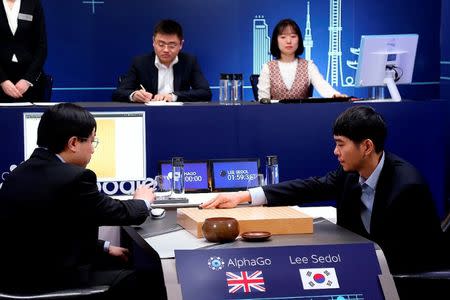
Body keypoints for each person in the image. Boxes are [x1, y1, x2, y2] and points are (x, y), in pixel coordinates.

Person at [201, 105, 448, 275]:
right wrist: (243, 196)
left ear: (367, 146)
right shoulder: (350, 174)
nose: (335, 152)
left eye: (341, 144)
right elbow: (309, 187)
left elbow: (411, 258)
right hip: (370, 269)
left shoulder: (407, 188)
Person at [0, 103, 166, 299]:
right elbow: (116, 212)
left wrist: (103, 247)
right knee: (149, 280)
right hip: (46, 284)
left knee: (118, 262)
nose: (93, 151)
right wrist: (143, 201)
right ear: (73, 143)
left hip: (13, 281)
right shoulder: (75, 178)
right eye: (92, 142)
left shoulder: (19, 172)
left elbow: (45, 232)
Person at [112, 19, 212, 103]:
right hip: (150, 115)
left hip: (180, 114)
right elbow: (118, 93)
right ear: (153, 42)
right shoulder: (140, 63)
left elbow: (205, 92)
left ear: (181, 44)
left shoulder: (189, 61)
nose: (166, 50)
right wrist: (133, 95)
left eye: (172, 45)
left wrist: (174, 96)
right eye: (161, 44)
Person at [257, 18, 346, 100]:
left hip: (304, 114)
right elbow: (263, 101)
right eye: (283, 37)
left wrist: (335, 95)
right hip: (274, 115)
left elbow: (322, 85)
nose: (288, 41)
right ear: (276, 41)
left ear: (299, 40)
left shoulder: (308, 66)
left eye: (293, 36)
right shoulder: (267, 68)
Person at [0, 0, 48, 102]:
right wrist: (2, 80)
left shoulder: (33, 3)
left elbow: (41, 46)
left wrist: (27, 80)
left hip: (29, 79)